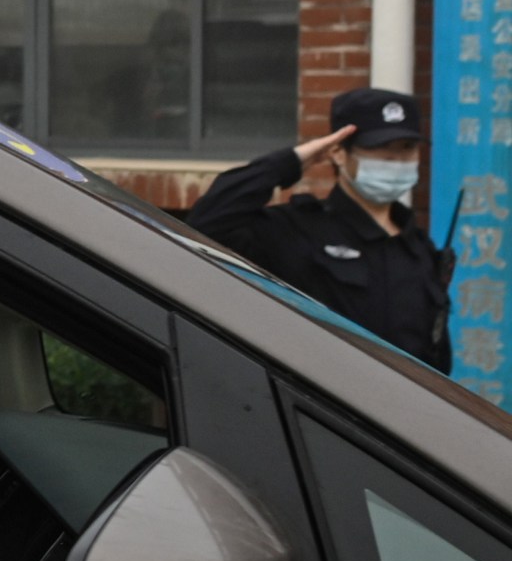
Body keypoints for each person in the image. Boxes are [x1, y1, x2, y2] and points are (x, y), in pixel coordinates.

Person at [186, 87, 454, 372]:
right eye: (380, 149)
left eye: (406, 149)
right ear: (338, 152)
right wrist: (294, 160)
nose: (396, 161)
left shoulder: (419, 249)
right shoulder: (297, 229)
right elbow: (207, 224)